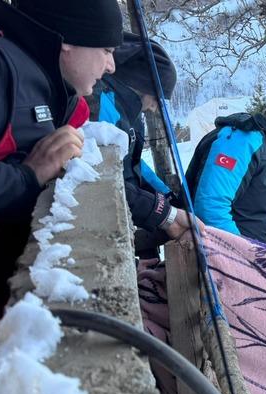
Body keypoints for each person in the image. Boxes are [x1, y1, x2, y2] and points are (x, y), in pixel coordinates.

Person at [0, 0, 122, 347]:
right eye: (106, 49)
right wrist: (27, 177)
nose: (111, 66)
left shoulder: (32, 73)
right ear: (68, 41)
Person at [87, 32, 196, 257]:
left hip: (129, 206)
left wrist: (165, 195)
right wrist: (162, 211)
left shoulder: (130, 110)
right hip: (109, 214)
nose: (155, 108)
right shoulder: (103, 104)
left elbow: (133, 161)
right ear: (143, 85)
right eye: (157, 98)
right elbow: (106, 176)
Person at [185, 92, 266, 256]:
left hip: (256, 258)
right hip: (229, 262)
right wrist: (248, 258)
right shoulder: (241, 141)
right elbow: (210, 207)